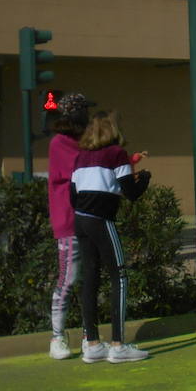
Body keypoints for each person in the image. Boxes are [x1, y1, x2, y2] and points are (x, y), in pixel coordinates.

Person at [72, 110, 153, 361]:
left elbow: (73, 194)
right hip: (101, 220)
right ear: (113, 130)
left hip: (80, 219)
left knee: (90, 277)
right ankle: (118, 345)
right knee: (119, 276)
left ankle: (92, 342)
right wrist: (145, 178)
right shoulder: (116, 153)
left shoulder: (80, 156)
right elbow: (133, 193)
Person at [46, 92, 94, 360]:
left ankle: (91, 336)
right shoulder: (61, 143)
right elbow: (80, 168)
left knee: (89, 278)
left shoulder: (84, 143)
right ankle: (57, 337)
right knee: (69, 279)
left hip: (90, 218)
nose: (87, 117)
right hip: (69, 221)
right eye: (84, 111)